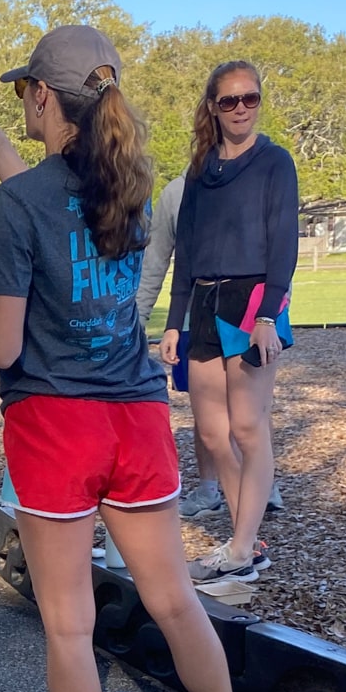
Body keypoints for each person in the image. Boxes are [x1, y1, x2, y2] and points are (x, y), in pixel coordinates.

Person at [0, 25, 258, 692]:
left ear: (43, 96)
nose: (23, 105)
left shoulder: (17, 208)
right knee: (176, 599)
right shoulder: (133, 190)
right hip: (136, 417)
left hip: (54, 426)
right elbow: (61, 209)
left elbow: (5, 342)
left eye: (25, 95)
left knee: (69, 624)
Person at [161, 62, 298, 583]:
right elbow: (186, 252)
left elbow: (284, 242)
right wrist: (173, 323)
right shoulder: (200, 171)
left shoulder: (274, 163)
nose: (241, 108)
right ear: (213, 107)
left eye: (250, 98)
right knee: (214, 434)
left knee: (247, 426)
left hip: (253, 302)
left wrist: (268, 314)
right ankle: (249, 542)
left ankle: (241, 551)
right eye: (229, 101)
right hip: (203, 302)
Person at [137, 172, 282, 522]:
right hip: (194, 317)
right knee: (209, 417)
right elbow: (158, 261)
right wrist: (139, 321)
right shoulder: (176, 193)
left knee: (252, 409)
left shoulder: (253, 179)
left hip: (245, 314)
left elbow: (277, 251)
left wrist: (270, 314)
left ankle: (263, 485)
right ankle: (209, 488)